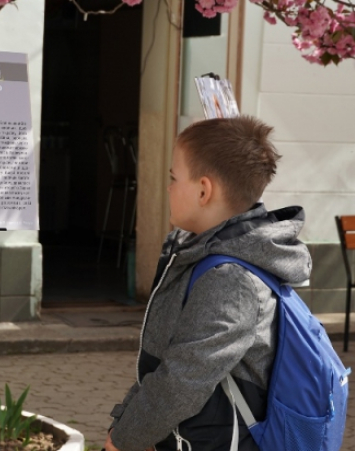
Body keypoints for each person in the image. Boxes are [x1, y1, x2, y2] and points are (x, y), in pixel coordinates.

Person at [105, 116, 311, 451]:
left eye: (174, 178)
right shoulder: (203, 255)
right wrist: (127, 424)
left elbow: (182, 380)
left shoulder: (230, 280)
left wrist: (122, 440)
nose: (169, 187)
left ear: (204, 190)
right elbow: (165, 362)